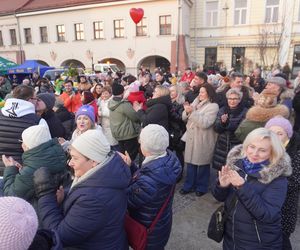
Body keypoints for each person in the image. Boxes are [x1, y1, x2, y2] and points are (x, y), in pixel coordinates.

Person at [34, 129, 131, 249]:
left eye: (75, 158)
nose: (70, 163)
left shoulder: (94, 200)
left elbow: (59, 236)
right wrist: (66, 196)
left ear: (93, 161)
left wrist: (45, 194)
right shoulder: (106, 171)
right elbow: (85, 190)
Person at [212, 128, 292, 250]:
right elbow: (220, 197)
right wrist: (222, 186)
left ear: (272, 152)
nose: (254, 153)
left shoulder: (278, 179)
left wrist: (242, 187)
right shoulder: (237, 165)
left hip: (258, 242)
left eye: (262, 150)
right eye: (252, 147)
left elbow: (267, 215)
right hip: (231, 237)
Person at [126, 124, 181, 249]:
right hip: (161, 225)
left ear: (146, 148)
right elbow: (145, 178)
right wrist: (131, 166)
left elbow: (127, 200)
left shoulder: (149, 180)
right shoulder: (168, 160)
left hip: (148, 231)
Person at [2, 124, 67, 205]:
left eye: (23, 142)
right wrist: (22, 170)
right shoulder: (58, 155)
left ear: (28, 146)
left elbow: (11, 197)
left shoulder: (30, 170)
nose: (22, 145)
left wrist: (10, 169)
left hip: (35, 212)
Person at [265, 117, 300, 250]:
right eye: (271, 132)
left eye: (280, 133)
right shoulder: (264, 150)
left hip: (284, 211)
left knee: (281, 242)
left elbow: (295, 182)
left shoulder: (296, 154)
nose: (275, 137)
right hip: (264, 209)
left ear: (288, 136)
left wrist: (266, 182)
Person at [180, 83, 219, 196]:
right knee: (190, 163)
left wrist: (192, 112)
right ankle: (188, 185)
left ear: (209, 93)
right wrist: (187, 111)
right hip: (192, 137)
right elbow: (184, 116)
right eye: (200, 92)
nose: (200, 94)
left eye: (202, 92)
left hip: (203, 139)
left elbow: (205, 123)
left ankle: (201, 187)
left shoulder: (213, 106)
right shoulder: (196, 102)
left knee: (202, 164)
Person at [0, 85, 47, 175]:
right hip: (21, 172)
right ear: (29, 100)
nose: (37, 102)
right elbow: (42, 152)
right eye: (36, 99)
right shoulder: (38, 121)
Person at [212, 88, 248, 171]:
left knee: (234, 172)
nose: (232, 101)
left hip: (236, 145)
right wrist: (222, 123)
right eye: (230, 99)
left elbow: (241, 130)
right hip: (222, 145)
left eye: (235, 99)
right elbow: (216, 128)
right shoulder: (222, 110)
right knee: (221, 172)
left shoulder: (245, 111)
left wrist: (227, 123)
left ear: (239, 100)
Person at [108, 83, 141, 160]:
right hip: (128, 135)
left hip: (118, 135)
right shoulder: (124, 104)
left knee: (123, 157)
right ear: (122, 92)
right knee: (130, 158)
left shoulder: (111, 102)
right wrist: (139, 110)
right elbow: (135, 117)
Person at [169, 85, 186, 179]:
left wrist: (171, 111)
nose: (171, 93)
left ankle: (179, 174)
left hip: (178, 132)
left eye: (173, 91)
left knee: (179, 154)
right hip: (170, 131)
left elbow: (180, 118)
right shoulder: (168, 102)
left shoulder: (181, 103)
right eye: (170, 91)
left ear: (178, 92)